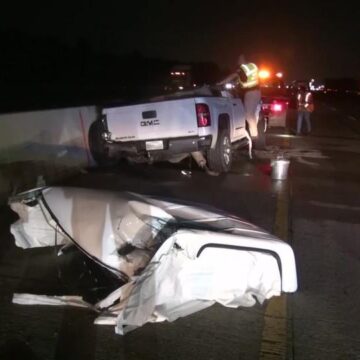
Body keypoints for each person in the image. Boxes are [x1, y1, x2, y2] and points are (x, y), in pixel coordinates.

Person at [218, 55, 261, 145]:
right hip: (256, 91)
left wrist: (221, 83)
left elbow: (233, 75)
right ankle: (252, 135)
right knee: (251, 114)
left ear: (241, 61)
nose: (237, 62)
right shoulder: (252, 66)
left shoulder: (242, 68)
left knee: (248, 115)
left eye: (238, 60)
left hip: (251, 92)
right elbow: (245, 79)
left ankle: (254, 137)